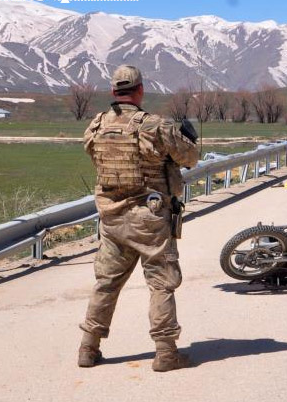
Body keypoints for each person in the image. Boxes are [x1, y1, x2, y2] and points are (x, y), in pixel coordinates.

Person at [78, 65, 199, 372]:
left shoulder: (97, 125)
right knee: (161, 284)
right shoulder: (154, 125)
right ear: (140, 90)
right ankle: (166, 353)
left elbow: (95, 158)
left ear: (113, 92)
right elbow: (190, 157)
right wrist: (185, 140)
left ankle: (88, 348)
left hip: (112, 217)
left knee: (106, 283)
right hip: (149, 216)